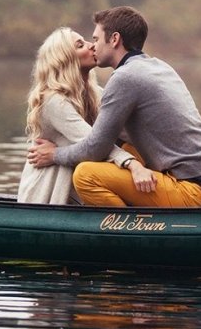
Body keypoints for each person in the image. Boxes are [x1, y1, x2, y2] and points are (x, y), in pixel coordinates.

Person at [27, 6, 201, 208]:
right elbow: (111, 139)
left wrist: (54, 155)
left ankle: (132, 227)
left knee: (85, 175)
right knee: (127, 147)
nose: (93, 46)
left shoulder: (125, 78)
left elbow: (95, 148)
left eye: (96, 39)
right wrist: (132, 165)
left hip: (193, 192)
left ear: (114, 39)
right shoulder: (158, 67)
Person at [17, 26, 155, 204]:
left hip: (81, 188)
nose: (91, 46)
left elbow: (127, 131)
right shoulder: (54, 101)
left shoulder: (94, 93)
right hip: (48, 196)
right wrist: (132, 165)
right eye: (80, 45)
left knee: (134, 147)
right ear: (65, 59)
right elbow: (93, 142)